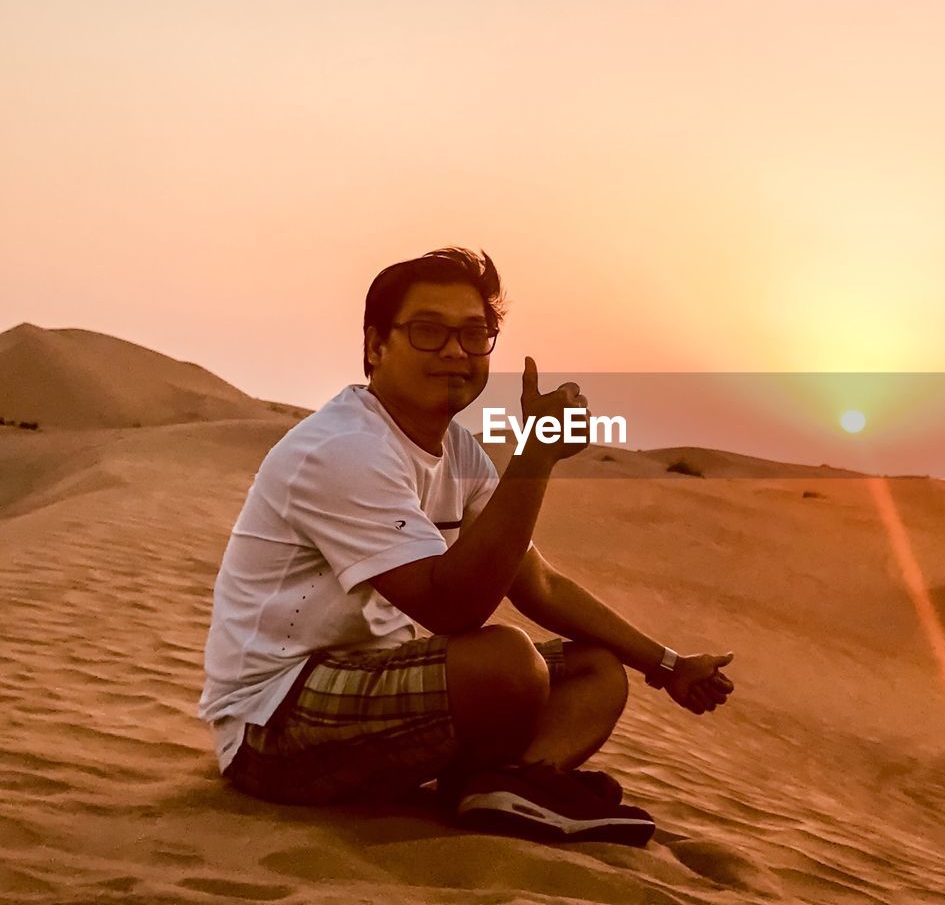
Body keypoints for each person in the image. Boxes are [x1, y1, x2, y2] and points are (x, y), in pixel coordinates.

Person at [197, 247, 735, 846]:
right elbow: (450, 610)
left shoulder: (458, 450)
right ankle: (513, 785)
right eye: (429, 331)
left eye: (476, 334)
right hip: (274, 722)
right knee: (503, 662)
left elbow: (540, 584)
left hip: (365, 690)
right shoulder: (344, 449)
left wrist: (668, 665)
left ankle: (509, 787)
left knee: (596, 669)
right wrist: (534, 459)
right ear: (375, 346)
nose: (456, 351)